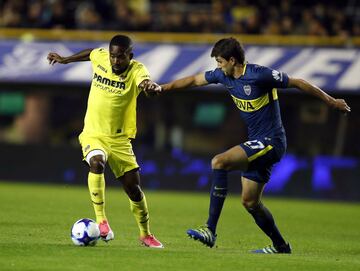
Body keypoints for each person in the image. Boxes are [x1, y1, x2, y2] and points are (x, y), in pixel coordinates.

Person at [159, 37, 350, 253]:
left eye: (220, 61)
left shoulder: (259, 75)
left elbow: (298, 82)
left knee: (219, 162)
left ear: (232, 60)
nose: (218, 67)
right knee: (250, 202)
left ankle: (210, 229)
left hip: (272, 141)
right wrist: (162, 89)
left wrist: (332, 101)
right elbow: (193, 81)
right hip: (257, 142)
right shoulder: (223, 75)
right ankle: (281, 246)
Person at [47, 35, 163, 248]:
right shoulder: (102, 57)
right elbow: (92, 52)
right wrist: (66, 60)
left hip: (119, 140)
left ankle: (145, 234)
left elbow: (145, 83)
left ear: (130, 56)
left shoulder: (137, 70)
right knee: (97, 162)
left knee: (134, 189)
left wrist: (150, 88)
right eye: (112, 56)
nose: (115, 61)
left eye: (120, 57)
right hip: (93, 133)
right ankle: (101, 220)